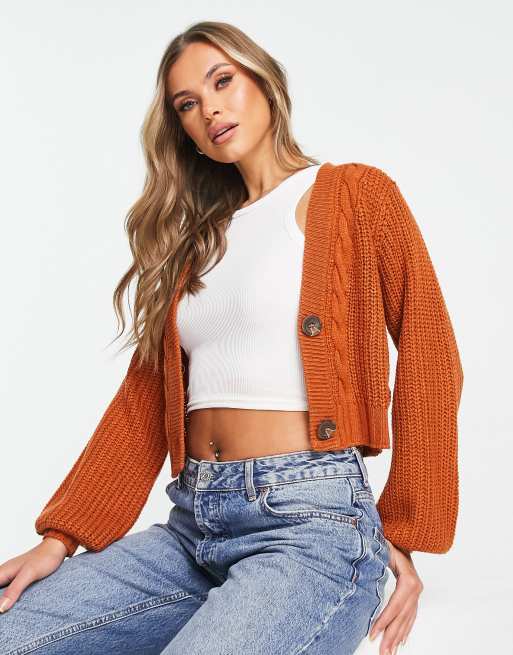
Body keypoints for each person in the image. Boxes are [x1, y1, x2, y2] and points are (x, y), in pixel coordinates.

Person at [0, 20, 463, 655]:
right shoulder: (199, 242)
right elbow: (143, 403)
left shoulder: (355, 194)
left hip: (309, 525)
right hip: (193, 526)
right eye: (187, 104)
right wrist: (61, 537)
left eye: (223, 81)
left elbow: (431, 353)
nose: (210, 109)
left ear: (264, 81)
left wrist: (406, 531)